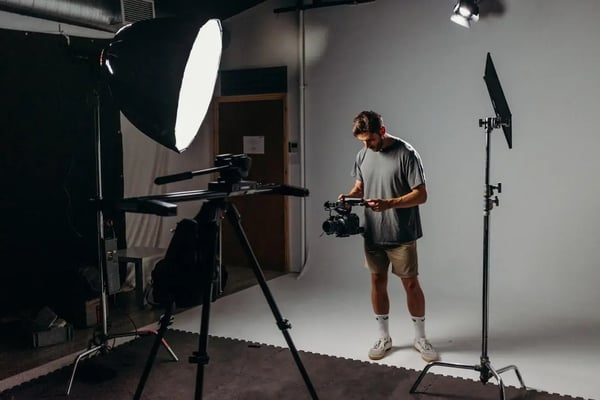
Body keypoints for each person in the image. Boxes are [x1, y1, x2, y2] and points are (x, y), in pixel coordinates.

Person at [339, 110, 439, 362]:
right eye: (362, 141)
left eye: (370, 140)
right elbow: (360, 188)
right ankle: (384, 337)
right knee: (377, 281)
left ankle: (420, 338)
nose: (367, 145)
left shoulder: (406, 154)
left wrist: (390, 203)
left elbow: (421, 195)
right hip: (372, 232)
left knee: (411, 283)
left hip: (401, 232)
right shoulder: (363, 154)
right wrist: (348, 197)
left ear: (381, 132)